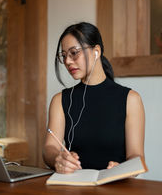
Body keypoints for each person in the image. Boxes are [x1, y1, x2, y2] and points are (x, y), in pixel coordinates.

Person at [43, 22, 145, 174]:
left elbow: (137, 156)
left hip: (117, 188)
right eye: (63, 56)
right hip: (75, 188)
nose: (67, 61)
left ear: (96, 51)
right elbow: (49, 149)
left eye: (74, 53)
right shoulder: (60, 100)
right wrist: (58, 159)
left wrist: (123, 169)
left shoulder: (131, 99)